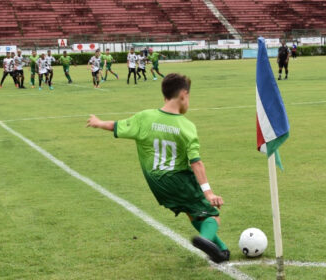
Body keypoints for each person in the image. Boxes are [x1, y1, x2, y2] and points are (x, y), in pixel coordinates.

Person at [86, 73, 230, 263]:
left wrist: (98, 123)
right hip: (177, 180)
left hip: (156, 183)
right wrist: (209, 193)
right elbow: (196, 162)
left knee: (192, 211)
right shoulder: (187, 126)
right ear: (183, 95)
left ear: (164, 96)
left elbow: (117, 126)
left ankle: (221, 251)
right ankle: (205, 239)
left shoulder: (145, 118)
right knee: (212, 214)